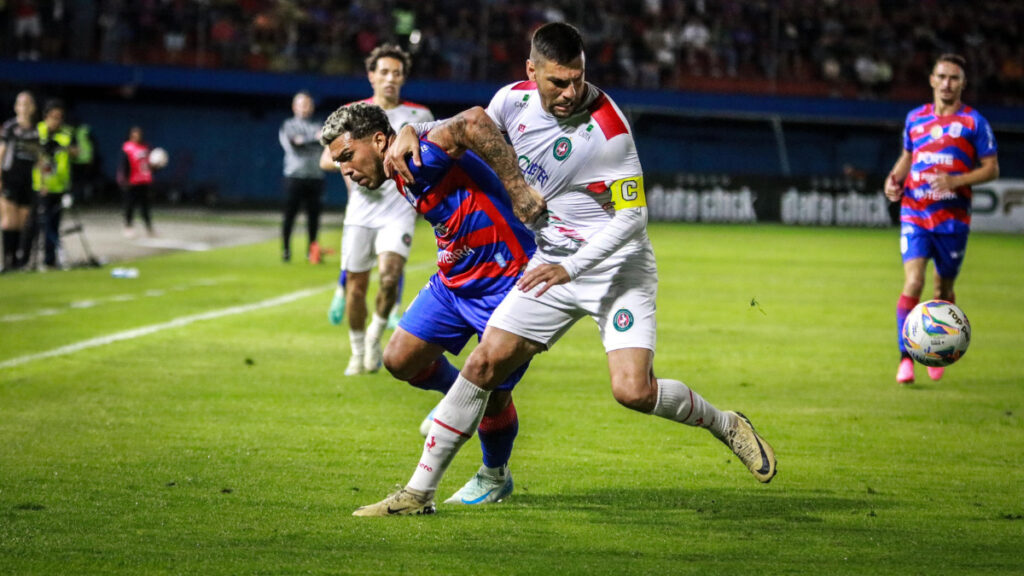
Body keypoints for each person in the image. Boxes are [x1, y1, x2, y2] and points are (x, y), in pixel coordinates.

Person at [354, 22, 776, 516]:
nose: (571, 91)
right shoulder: (512, 101)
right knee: (483, 365)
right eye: (558, 81)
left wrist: (571, 268)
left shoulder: (610, 132)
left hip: (616, 269)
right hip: (552, 265)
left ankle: (725, 424)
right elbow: (467, 128)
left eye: (578, 78)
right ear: (531, 72)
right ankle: (417, 495)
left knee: (633, 391)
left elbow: (633, 221)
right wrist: (413, 129)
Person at [321, 101, 544, 505]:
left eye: (348, 156)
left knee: (493, 394)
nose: (346, 170)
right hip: (454, 282)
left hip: (505, 279)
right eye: (339, 163)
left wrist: (518, 190)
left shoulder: (417, 157)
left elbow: (474, 121)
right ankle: (460, 396)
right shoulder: (399, 168)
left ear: (377, 140)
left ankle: (494, 474)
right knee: (400, 359)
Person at [319, 44, 434, 376]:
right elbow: (328, 157)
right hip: (361, 211)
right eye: (383, 72)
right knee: (356, 287)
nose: (390, 79)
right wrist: (349, 168)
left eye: (396, 73)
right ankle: (357, 351)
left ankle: (374, 336)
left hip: (398, 208)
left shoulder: (419, 115)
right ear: (371, 76)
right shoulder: (353, 115)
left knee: (389, 276)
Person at [884, 54, 999, 385]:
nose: (947, 83)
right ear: (932, 80)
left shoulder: (974, 123)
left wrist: (955, 181)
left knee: (942, 289)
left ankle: (939, 352)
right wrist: (893, 179)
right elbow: (908, 156)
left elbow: (992, 168)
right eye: (942, 76)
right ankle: (906, 358)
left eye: (954, 78)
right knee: (914, 282)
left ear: (962, 84)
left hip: (953, 220)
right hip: (915, 212)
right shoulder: (915, 118)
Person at [279, 91, 325, 263]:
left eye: (308, 104)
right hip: (294, 176)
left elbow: (324, 141)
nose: (305, 108)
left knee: (314, 217)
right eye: (302, 104)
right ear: (294, 107)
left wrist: (306, 141)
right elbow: (294, 143)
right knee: (290, 215)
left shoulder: (318, 124)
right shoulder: (288, 125)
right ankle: (286, 250)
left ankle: (312, 252)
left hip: (315, 176)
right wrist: (314, 139)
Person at [32, 99, 77, 270]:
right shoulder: (38, 131)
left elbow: (76, 153)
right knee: (41, 223)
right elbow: (35, 159)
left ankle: (50, 260)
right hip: (40, 186)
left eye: (59, 117)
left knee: (55, 223)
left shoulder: (66, 133)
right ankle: (30, 258)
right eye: (53, 117)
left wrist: (65, 149)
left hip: (60, 186)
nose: (56, 121)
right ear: (46, 117)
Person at [0, 91, 38, 271]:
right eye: (21, 103)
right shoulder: (10, 127)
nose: (24, 107)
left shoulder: (36, 130)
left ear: (33, 107)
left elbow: (39, 158)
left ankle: (18, 259)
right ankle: (7, 260)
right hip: (10, 178)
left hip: (27, 181)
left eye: (28, 103)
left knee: (23, 223)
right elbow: (1, 153)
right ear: (16, 107)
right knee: (9, 221)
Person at [118, 126, 156, 237]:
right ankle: (128, 226)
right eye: (134, 134)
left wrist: (155, 166)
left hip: (144, 181)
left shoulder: (145, 147)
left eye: (138, 134)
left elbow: (149, 165)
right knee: (130, 205)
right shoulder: (127, 147)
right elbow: (124, 164)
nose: (137, 136)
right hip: (132, 182)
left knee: (145, 206)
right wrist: (125, 180)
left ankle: (149, 227)